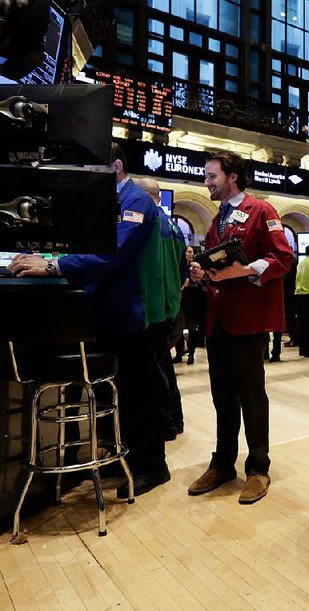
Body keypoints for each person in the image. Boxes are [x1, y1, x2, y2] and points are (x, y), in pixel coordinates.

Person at [10, 143, 172, 496]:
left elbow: (111, 251)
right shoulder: (103, 202)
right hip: (105, 314)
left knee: (139, 394)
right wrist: (46, 255)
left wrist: (54, 265)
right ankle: (121, 458)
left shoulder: (136, 201)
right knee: (114, 394)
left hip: (135, 314)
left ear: (115, 166)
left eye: (92, 169)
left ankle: (152, 466)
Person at [187, 151, 293, 505]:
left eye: (211, 176)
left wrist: (244, 271)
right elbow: (221, 265)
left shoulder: (261, 211)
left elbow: (283, 258)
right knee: (222, 399)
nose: (207, 182)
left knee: (251, 396)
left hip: (248, 322)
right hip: (218, 320)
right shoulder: (218, 219)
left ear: (232, 176)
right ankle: (222, 464)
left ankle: (258, 468)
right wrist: (205, 273)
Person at [138, 177, 187, 440]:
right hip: (171, 305)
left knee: (153, 370)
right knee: (163, 363)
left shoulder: (146, 222)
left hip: (152, 306)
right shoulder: (175, 226)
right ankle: (175, 419)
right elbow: (183, 271)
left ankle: (165, 423)